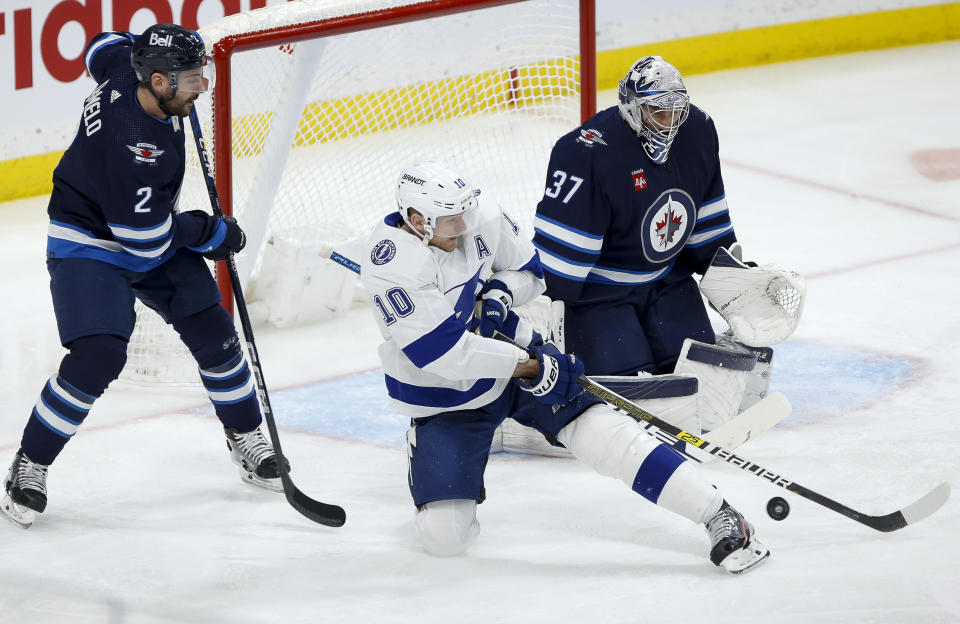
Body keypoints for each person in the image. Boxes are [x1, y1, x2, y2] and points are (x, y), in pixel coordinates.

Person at [358, 160, 769, 574]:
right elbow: (442, 354)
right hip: (447, 398)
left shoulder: (478, 217)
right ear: (417, 220)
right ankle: (427, 452)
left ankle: (718, 513)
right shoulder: (393, 265)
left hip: (513, 357)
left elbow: (530, 273)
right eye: (450, 220)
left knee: (608, 435)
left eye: (464, 213)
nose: (463, 226)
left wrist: (501, 294)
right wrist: (531, 367)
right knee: (444, 539)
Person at [2, 24, 285, 530]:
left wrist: (153, 44)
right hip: (90, 243)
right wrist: (208, 231)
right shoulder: (135, 144)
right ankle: (30, 464)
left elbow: (102, 44)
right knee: (98, 356)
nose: (202, 87)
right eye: (192, 78)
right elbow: (147, 243)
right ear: (157, 82)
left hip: (145, 223)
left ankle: (246, 436)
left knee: (216, 334)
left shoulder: (125, 70)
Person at [532, 55, 743, 377]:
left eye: (677, 110)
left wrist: (732, 277)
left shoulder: (698, 130)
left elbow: (706, 219)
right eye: (658, 111)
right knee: (624, 383)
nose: (670, 121)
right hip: (601, 297)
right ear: (632, 107)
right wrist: (542, 317)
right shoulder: (586, 152)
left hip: (670, 284)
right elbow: (563, 260)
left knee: (702, 376)